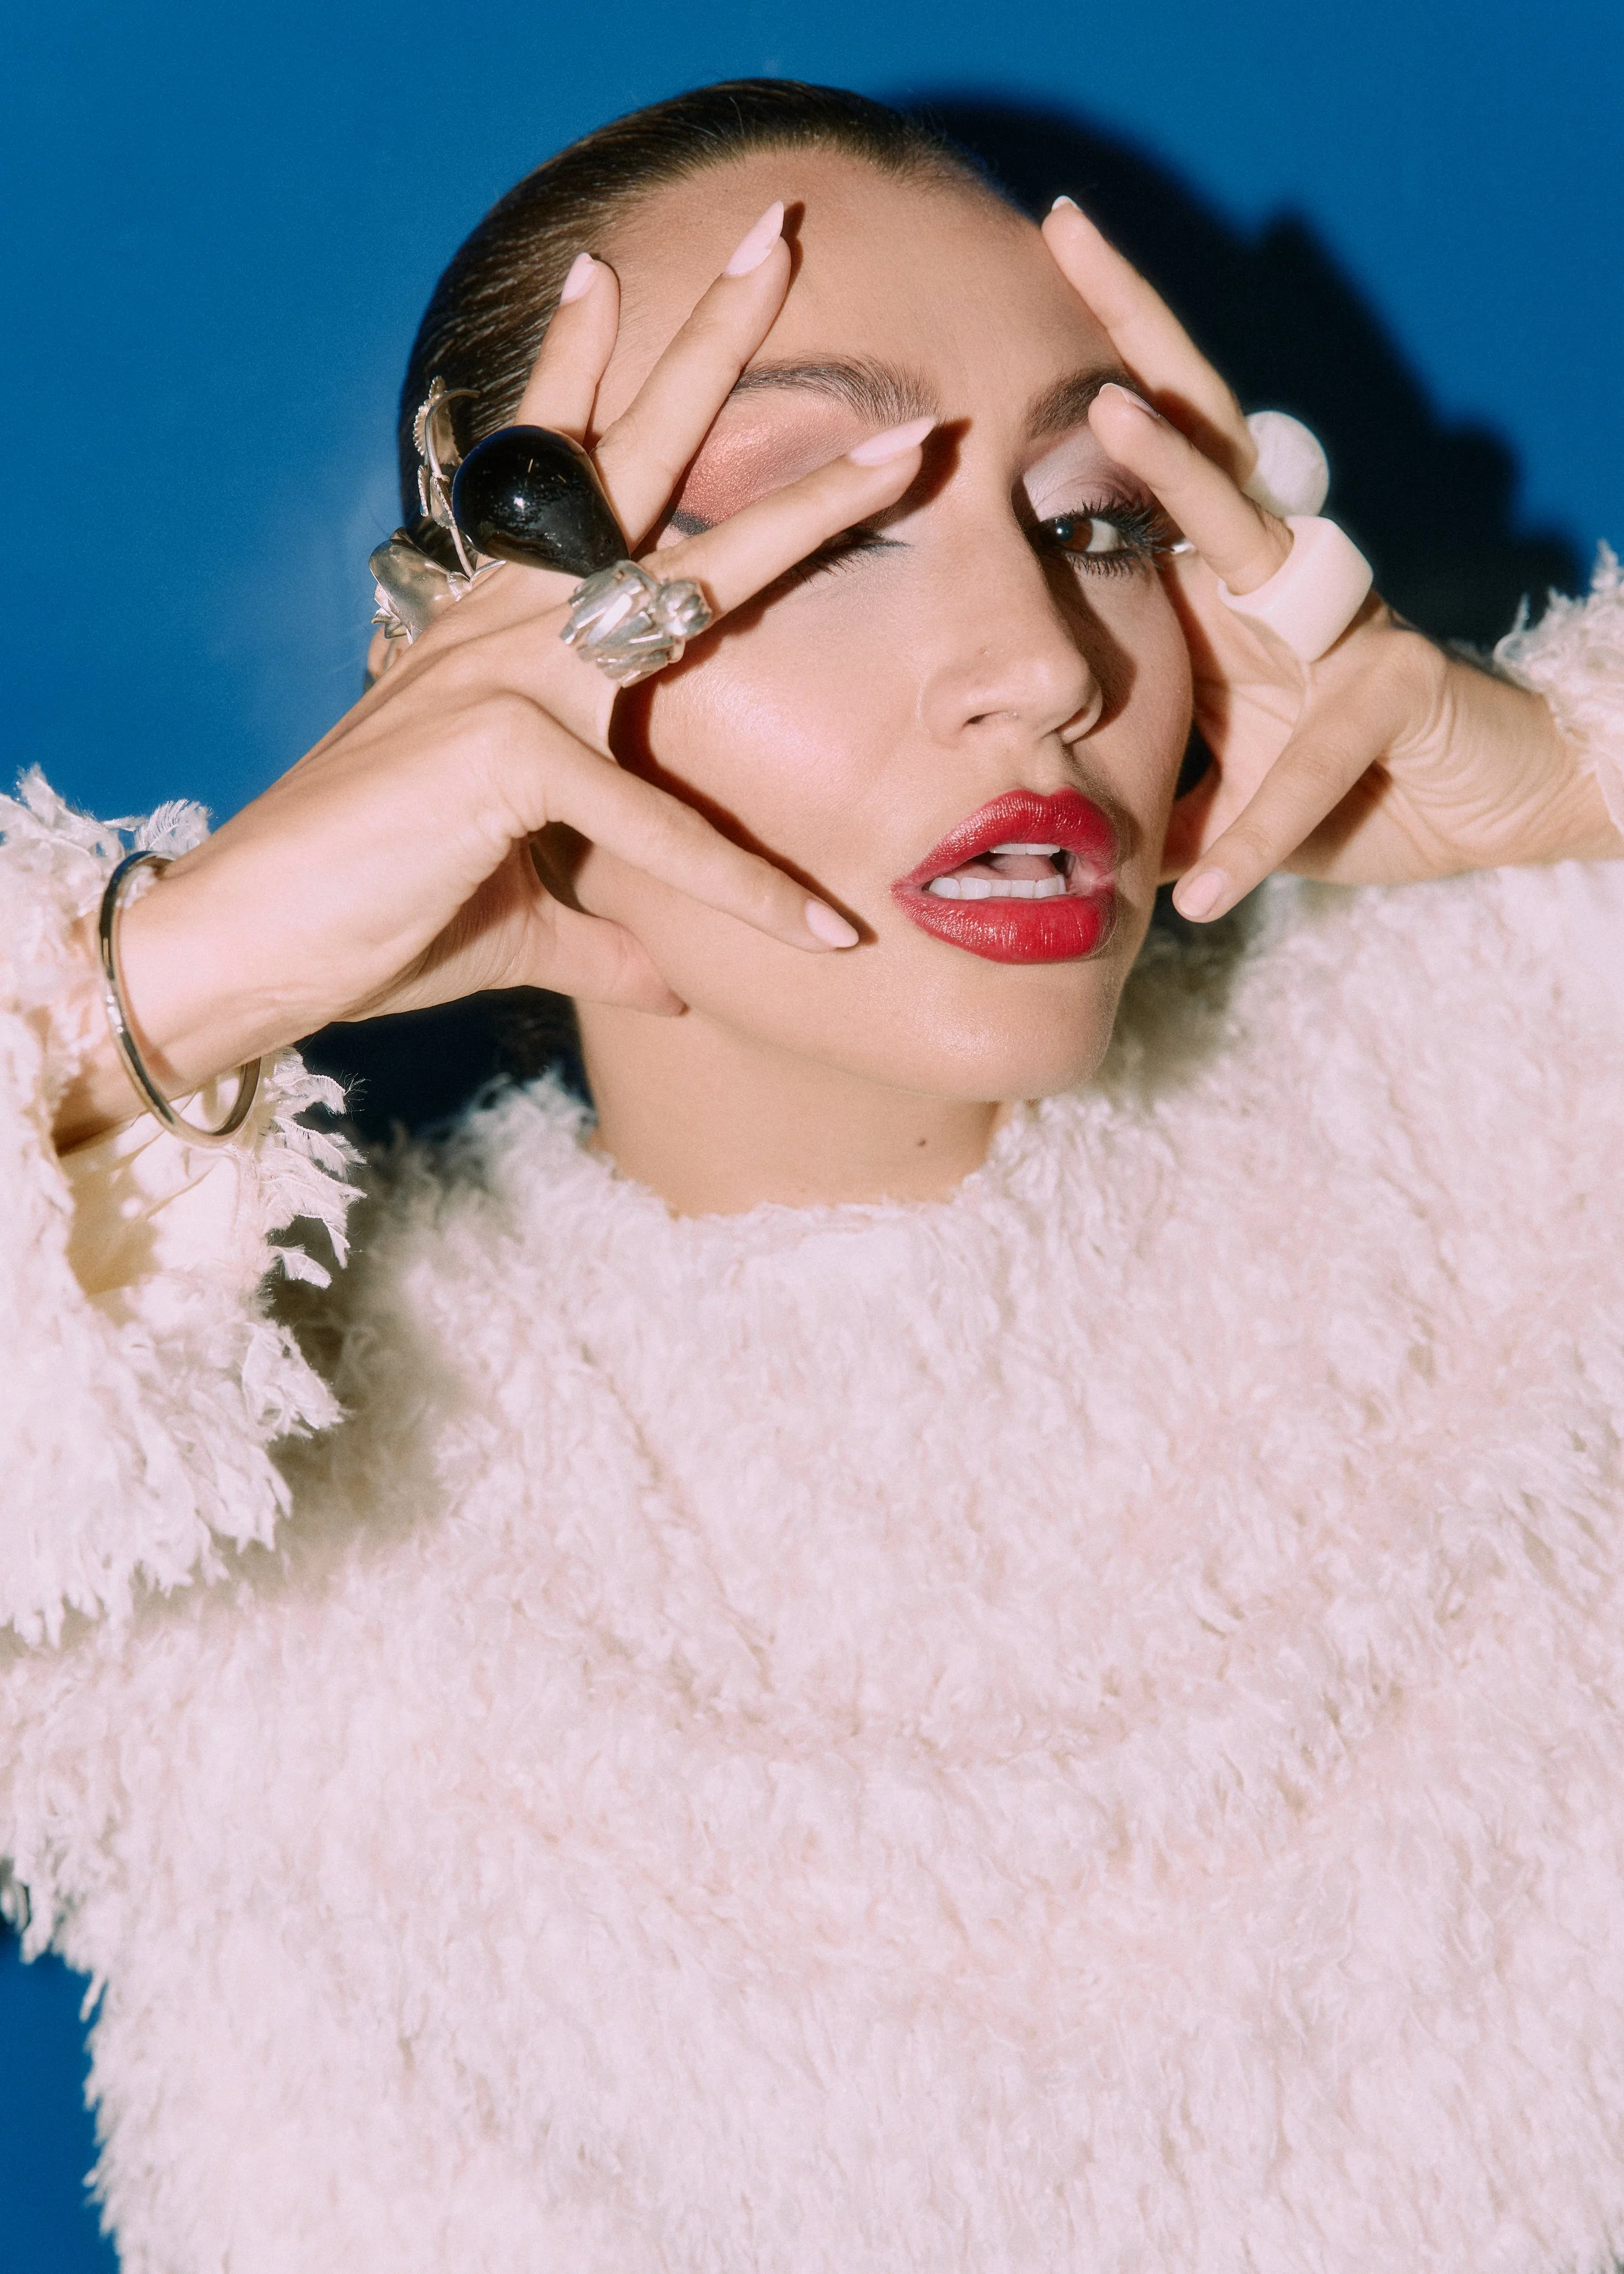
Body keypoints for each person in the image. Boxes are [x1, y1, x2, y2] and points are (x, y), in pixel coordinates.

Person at [5, 76, 1624, 2272]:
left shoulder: (1519, 1167)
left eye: (1092, 517)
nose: (1044, 670)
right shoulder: (225, 1506)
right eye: (824, 521)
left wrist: (1559, 789)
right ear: (451, 679)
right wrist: (168, 978)